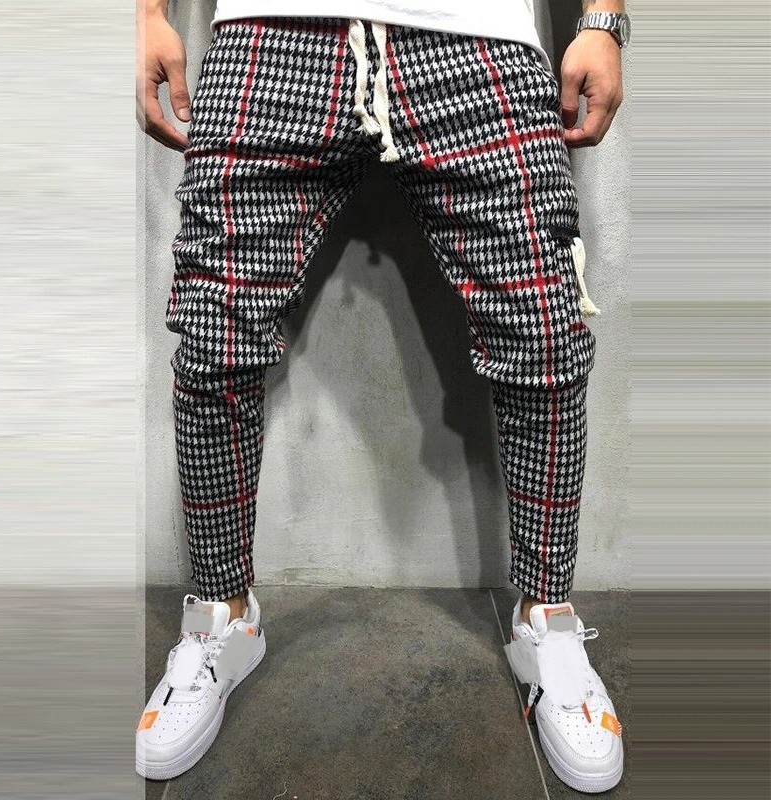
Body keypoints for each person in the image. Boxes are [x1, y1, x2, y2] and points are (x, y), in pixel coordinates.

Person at [136, 0, 628, 792]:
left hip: (477, 39)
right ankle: (221, 619)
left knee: (544, 337)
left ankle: (549, 624)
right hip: (270, 32)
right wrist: (148, 14)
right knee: (213, 338)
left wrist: (603, 20)